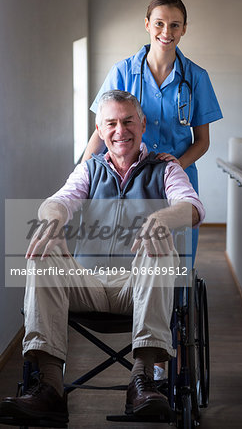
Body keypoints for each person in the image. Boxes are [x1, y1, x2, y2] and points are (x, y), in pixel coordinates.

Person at [0, 91, 205, 427]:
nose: (120, 130)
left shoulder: (164, 168)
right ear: (100, 128)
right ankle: (49, 386)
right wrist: (51, 221)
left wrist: (161, 220)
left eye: (127, 121)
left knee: (161, 245)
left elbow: (190, 206)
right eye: (111, 123)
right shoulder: (90, 170)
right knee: (43, 247)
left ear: (142, 125)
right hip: (87, 283)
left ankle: (143, 380)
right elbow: (60, 200)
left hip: (138, 286)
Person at [84, 0, 222, 381]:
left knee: (173, 272)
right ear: (147, 25)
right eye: (159, 23)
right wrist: (82, 171)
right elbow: (103, 129)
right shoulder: (124, 70)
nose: (167, 31)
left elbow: (202, 141)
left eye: (175, 24)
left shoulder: (196, 78)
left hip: (173, 181)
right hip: (126, 183)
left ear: (184, 29)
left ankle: (160, 365)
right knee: (122, 258)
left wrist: (175, 164)